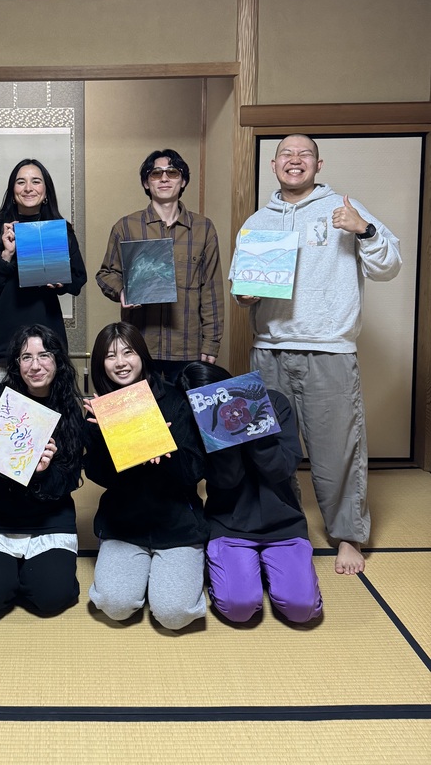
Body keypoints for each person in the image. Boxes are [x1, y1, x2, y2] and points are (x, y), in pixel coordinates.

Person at [233, 134, 401, 575]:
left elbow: (389, 266)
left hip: (328, 349)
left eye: (304, 154)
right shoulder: (257, 221)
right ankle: (284, 528)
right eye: (286, 155)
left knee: (337, 448)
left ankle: (348, 536)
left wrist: (364, 229)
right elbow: (242, 289)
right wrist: (245, 294)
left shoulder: (344, 209)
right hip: (269, 349)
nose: (295, 160)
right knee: (269, 447)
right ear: (274, 165)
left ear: (318, 164)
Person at [83, 323, 208, 630]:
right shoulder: (101, 410)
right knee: (115, 605)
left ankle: (170, 576)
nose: (121, 362)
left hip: (176, 521)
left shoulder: (174, 400)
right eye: (110, 356)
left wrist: (166, 449)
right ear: (100, 363)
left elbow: (194, 471)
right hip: (124, 523)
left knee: (174, 614)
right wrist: (105, 439)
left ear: (142, 355)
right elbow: (98, 475)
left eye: (128, 352)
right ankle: (143, 576)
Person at [179, 361, 323, 625]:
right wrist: (225, 437)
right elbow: (228, 479)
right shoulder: (196, 422)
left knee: (302, 609)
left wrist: (255, 429)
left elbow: (282, 468)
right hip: (229, 524)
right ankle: (244, 572)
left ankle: (270, 569)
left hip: (283, 523)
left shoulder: (274, 402)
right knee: (238, 608)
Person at [0, 324, 84, 617]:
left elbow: (67, 481)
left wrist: (40, 472)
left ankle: (24, 572)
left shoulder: (69, 408)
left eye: (44, 355)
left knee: (52, 598)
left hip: (47, 518)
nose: (35, 366)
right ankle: (3, 572)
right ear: (17, 363)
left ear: (58, 360)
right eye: (26, 357)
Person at [96, 148, 224, 384]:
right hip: (139, 345)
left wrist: (212, 343)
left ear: (183, 180)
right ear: (146, 183)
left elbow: (211, 291)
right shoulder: (126, 227)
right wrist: (121, 290)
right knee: (141, 408)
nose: (164, 178)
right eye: (156, 174)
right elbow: (106, 274)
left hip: (187, 345)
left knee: (186, 407)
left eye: (172, 172)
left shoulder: (203, 228)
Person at [0, 158, 87, 388]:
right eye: (21, 182)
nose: (28, 188)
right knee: (4, 410)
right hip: (3, 343)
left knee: (51, 408)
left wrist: (61, 281)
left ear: (46, 191)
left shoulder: (59, 230)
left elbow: (78, 278)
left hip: (48, 342)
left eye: (36, 181)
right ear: (13, 191)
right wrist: (5, 255)